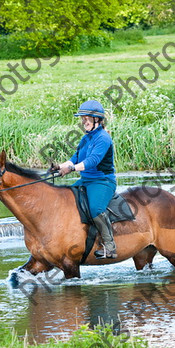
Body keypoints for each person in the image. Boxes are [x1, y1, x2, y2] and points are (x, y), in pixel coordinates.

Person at [55, 100, 118, 259]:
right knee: (64, 199)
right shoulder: (86, 138)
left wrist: (73, 168)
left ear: (97, 119)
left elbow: (93, 161)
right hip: (86, 181)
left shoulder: (103, 138)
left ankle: (110, 247)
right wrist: (62, 166)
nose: (84, 121)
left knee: (95, 208)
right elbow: (76, 157)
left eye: (87, 118)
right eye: (82, 118)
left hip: (103, 181)